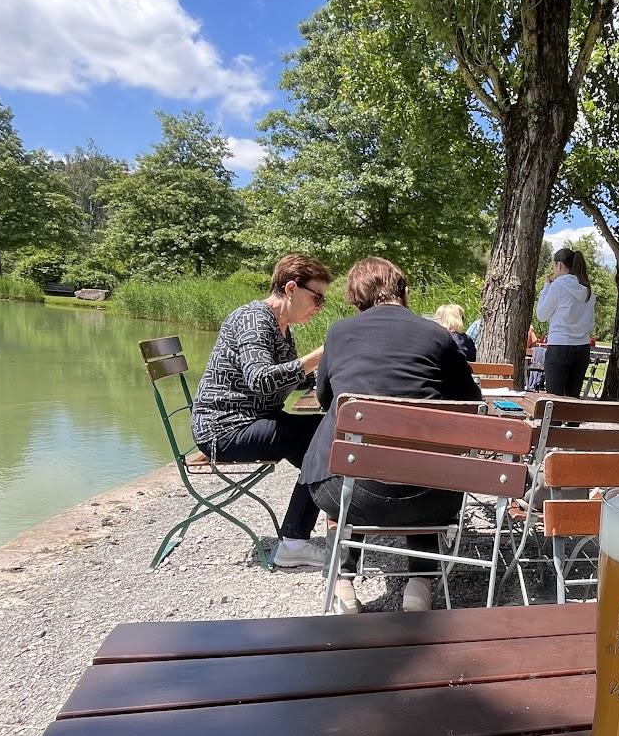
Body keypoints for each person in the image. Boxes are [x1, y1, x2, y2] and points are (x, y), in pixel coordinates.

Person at [302, 257, 481, 614]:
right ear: (405, 292)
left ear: (356, 298)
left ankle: (343, 582)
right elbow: (470, 402)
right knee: (425, 463)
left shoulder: (339, 333)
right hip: (430, 496)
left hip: (350, 493)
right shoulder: (438, 335)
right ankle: (419, 586)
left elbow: (324, 397)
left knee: (343, 460)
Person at [192, 254, 334, 569]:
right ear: (291, 288)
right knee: (323, 442)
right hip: (225, 428)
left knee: (324, 442)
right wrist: (322, 353)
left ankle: (317, 524)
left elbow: (294, 377)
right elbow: (261, 380)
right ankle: (296, 542)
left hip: (254, 420)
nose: (319, 306)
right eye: (317, 297)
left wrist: (337, 370)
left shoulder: (282, 327)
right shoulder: (253, 319)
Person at [535, 247, 597, 397]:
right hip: (582, 347)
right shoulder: (588, 288)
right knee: (572, 400)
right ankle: (573, 421)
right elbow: (590, 322)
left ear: (559, 265)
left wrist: (546, 287)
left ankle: (554, 422)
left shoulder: (558, 285)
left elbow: (541, 315)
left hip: (559, 345)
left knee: (554, 400)